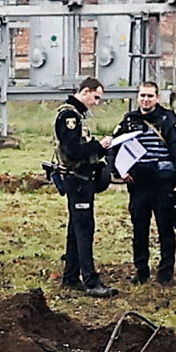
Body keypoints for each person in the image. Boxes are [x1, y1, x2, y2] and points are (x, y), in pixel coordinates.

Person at [112, 89, 176, 284]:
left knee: (165, 228)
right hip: (139, 184)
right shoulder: (129, 120)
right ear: (137, 98)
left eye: (150, 96)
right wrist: (119, 170)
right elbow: (115, 145)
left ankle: (165, 272)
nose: (146, 100)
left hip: (163, 182)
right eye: (142, 96)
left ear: (157, 98)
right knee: (139, 229)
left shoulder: (168, 119)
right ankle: (141, 271)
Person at [49, 76, 110, 292]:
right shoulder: (69, 116)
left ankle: (71, 277)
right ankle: (90, 280)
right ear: (85, 91)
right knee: (84, 228)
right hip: (77, 179)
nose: (96, 102)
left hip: (80, 178)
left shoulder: (75, 115)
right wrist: (98, 146)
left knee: (76, 228)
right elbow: (73, 150)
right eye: (96, 97)